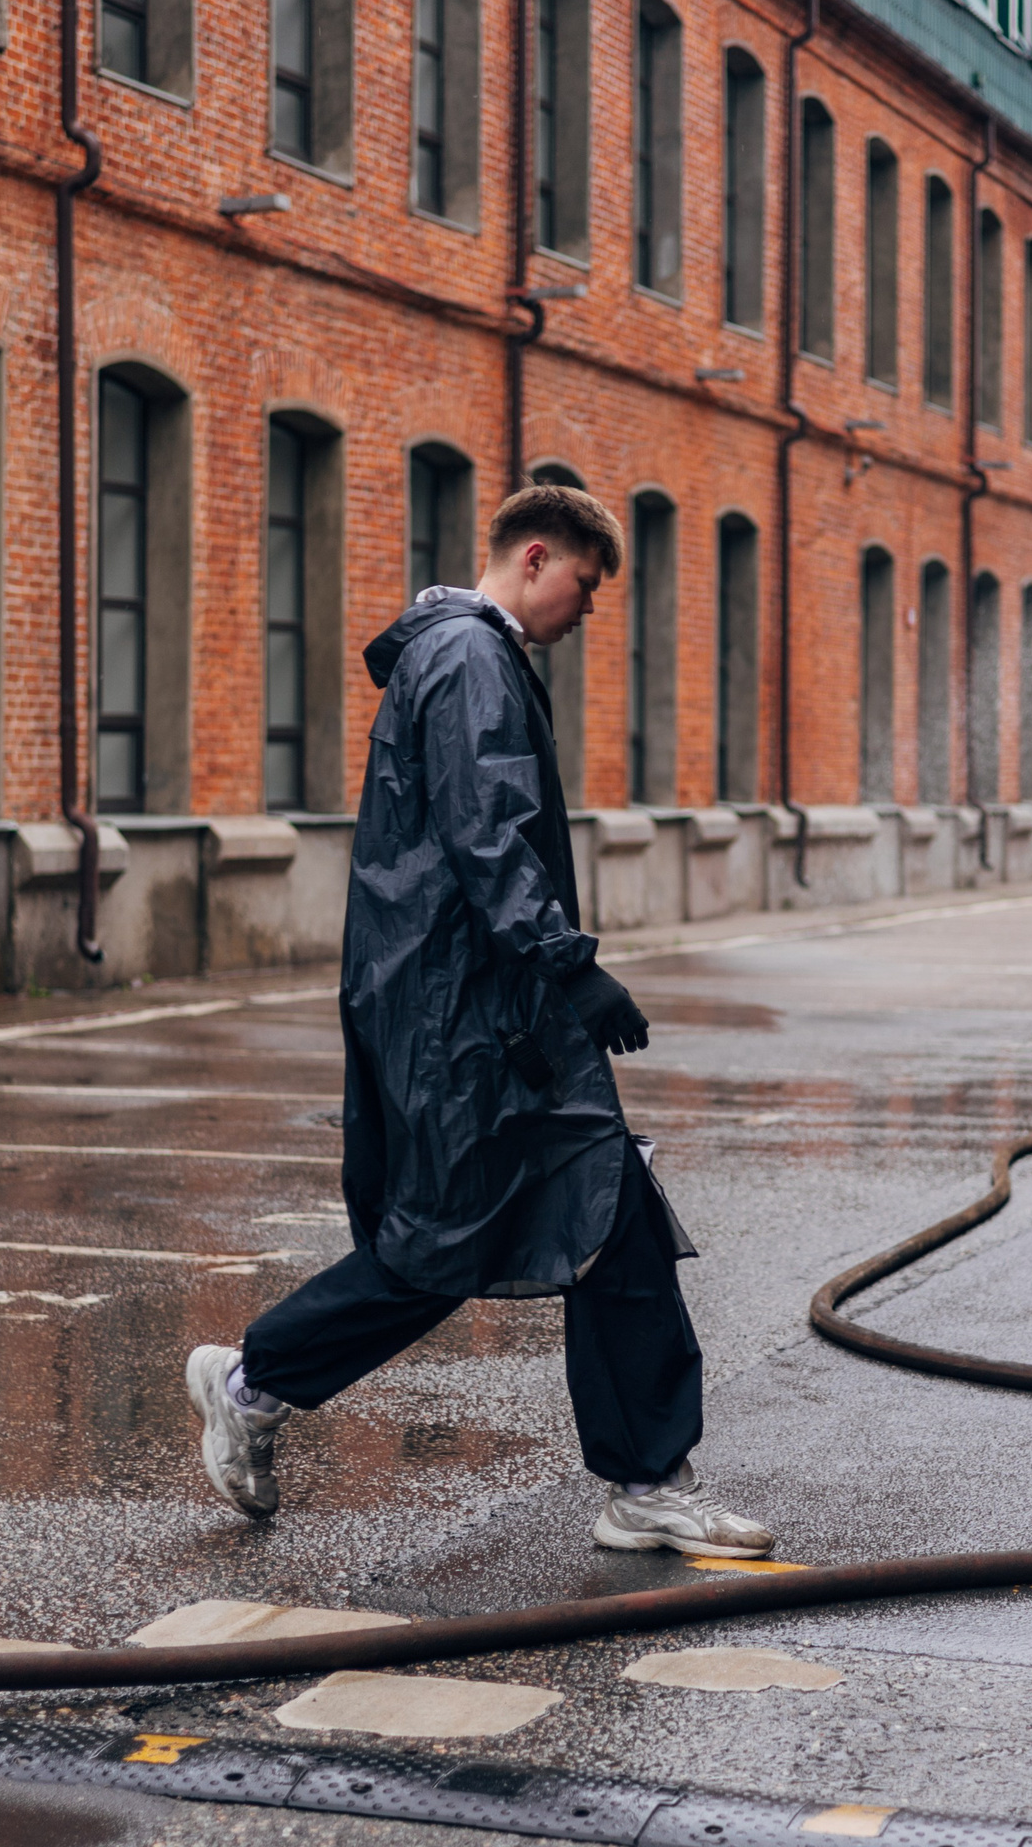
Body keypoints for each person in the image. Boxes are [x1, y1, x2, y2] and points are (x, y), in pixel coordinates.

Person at [184, 484, 775, 1561]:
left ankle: (644, 1479)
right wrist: (573, 970)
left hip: (474, 1006)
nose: (588, 611)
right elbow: (488, 835)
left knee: (597, 1221)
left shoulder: (463, 652)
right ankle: (254, 1382)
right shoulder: (468, 659)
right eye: (585, 586)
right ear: (536, 558)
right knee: (454, 1239)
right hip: (475, 1016)